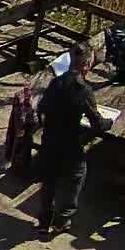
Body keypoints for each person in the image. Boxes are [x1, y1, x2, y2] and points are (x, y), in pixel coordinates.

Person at [36, 43, 112, 234]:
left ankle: (45, 221)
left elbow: (42, 108)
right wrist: (109, 122)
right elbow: (97, 123)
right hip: (70, 144)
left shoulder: (56, 83)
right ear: (86, 64)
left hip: (50, 140)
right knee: (76, 177)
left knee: (50, 180)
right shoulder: (83, 90)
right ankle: (62, 220)